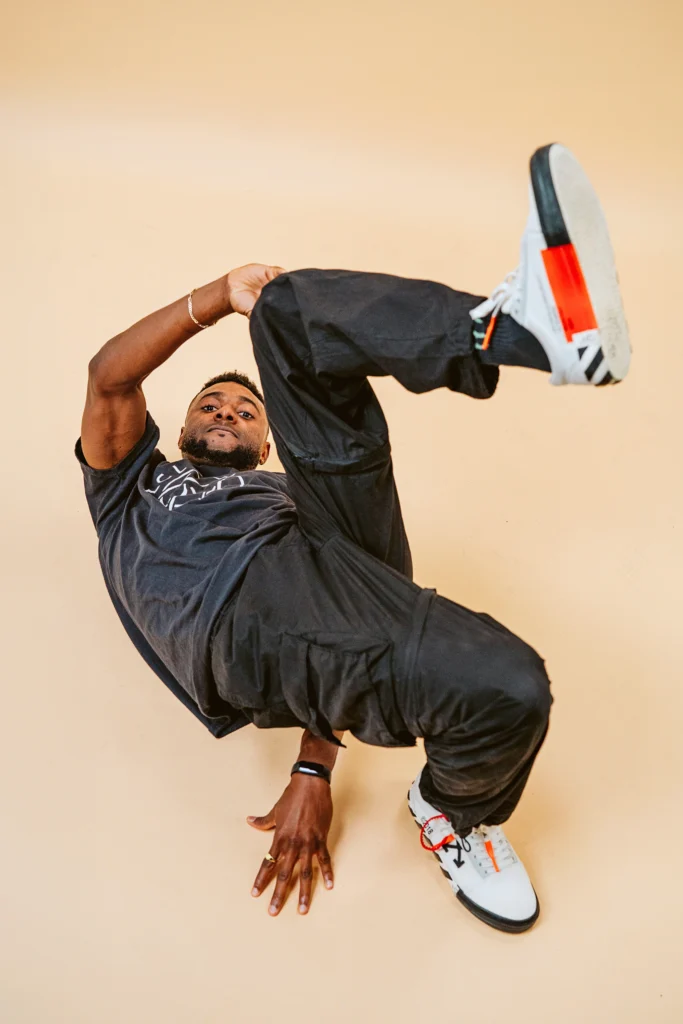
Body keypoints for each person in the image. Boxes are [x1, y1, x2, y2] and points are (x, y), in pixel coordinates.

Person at [76, 143, 631, 933]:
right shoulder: (127, 490)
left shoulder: (276, 487)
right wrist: (215, 296)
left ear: (269, 445)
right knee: (509, 689)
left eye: (245, 408)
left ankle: (532, 334)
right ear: (184, 425)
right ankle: (449, 816)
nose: (227, 411)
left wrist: (316, 759)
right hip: (239, 616)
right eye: (210, 405)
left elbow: (323, 601)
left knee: (290, 314)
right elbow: (109, 375)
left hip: (333, 554)